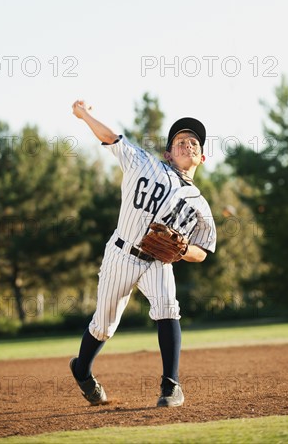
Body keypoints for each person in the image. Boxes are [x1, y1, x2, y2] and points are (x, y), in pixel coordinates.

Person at [69, 99, 216, 407]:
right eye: (179, 141)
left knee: (168, 307)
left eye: (193, 142)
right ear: (168, 152)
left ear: (201, 157)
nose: (187, 144)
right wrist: (85, 116)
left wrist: (185, 249)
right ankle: (82, 370)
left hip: (159, 262)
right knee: (103, 325)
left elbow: (203, 251)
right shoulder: (145, 163)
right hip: (121, 253)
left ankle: (171, 385)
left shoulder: (200, 205)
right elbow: (112, 138)